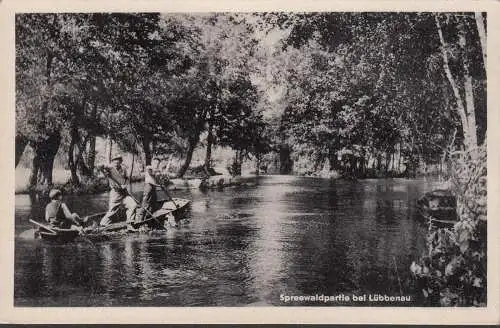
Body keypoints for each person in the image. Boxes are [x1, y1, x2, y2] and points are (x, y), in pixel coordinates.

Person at [98, 155, 137, 229]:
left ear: (121, 161)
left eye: (118, 160)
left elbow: (126, 179)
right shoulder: (110, 168)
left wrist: (125, 184)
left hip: (124, 192)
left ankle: (129, 223)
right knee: (112, 210)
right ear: (112, 161)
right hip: (115, 193)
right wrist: (102, 167)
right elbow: (100, 166)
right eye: (114, 160)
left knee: (133, 205)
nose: (116, 161)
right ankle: (103, 224)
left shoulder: (123, 169)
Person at [134, 158, 162, 227]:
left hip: (154, 187)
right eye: (155, 163)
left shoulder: (157, 170)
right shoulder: (149, 167)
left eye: (158, 164)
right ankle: (139, 219)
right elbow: (152, 172)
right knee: (145, 202)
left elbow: (157, 178)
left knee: (153, 202)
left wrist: (160, 183)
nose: (156, 165)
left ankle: (148, 217)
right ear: (152, 163)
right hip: (148, 187)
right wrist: (158, 172)